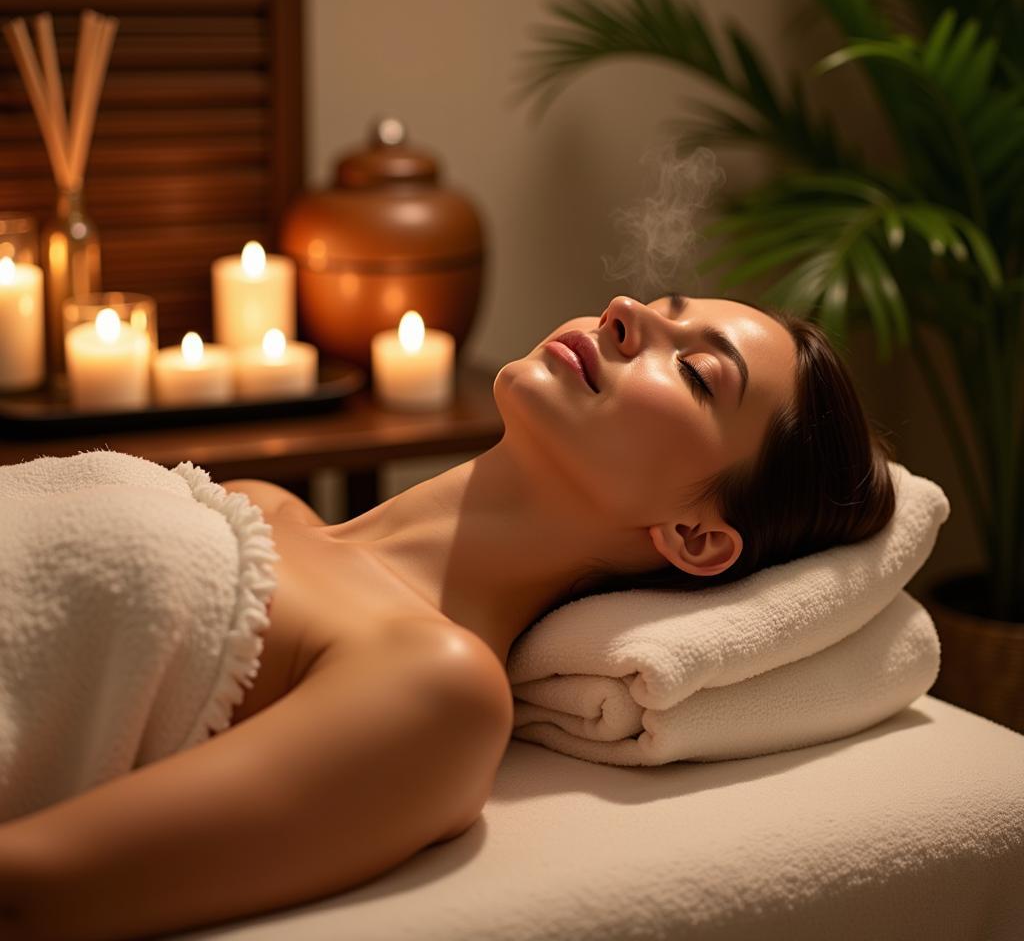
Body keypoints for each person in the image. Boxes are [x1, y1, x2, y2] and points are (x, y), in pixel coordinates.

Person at [0, 293, 895, 941]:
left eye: (696, 372)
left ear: (698, 539)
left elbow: (32, 894)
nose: (624, 312)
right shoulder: (263, 505)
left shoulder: (438, 687)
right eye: (655, 305)